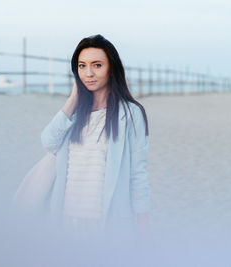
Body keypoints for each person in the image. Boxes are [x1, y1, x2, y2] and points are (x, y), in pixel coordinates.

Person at [41, 34, 151, 237]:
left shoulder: (130, 113)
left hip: (108, 223)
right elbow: (48, 142)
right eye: (82, 66)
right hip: (66, 221)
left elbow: (138, 175)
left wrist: (143, 233)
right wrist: (74, 97)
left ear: (112, 68)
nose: (88, 73)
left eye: (97, 65)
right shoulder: (73, 114)